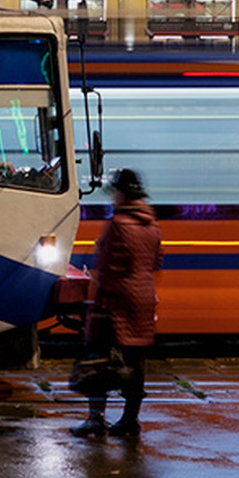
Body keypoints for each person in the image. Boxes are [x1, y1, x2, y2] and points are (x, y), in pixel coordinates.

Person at [73, 167, 162, 439]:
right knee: (135, 362)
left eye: (114, 194)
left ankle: (95, 418)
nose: (112, 200)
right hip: (144, 298)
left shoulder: (118, 225)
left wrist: (99, 306)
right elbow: (157, 263)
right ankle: (130, 420)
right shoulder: (152, 225)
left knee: (98, 356)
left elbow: (110, 270)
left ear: (122, 194)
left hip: (119, 299)